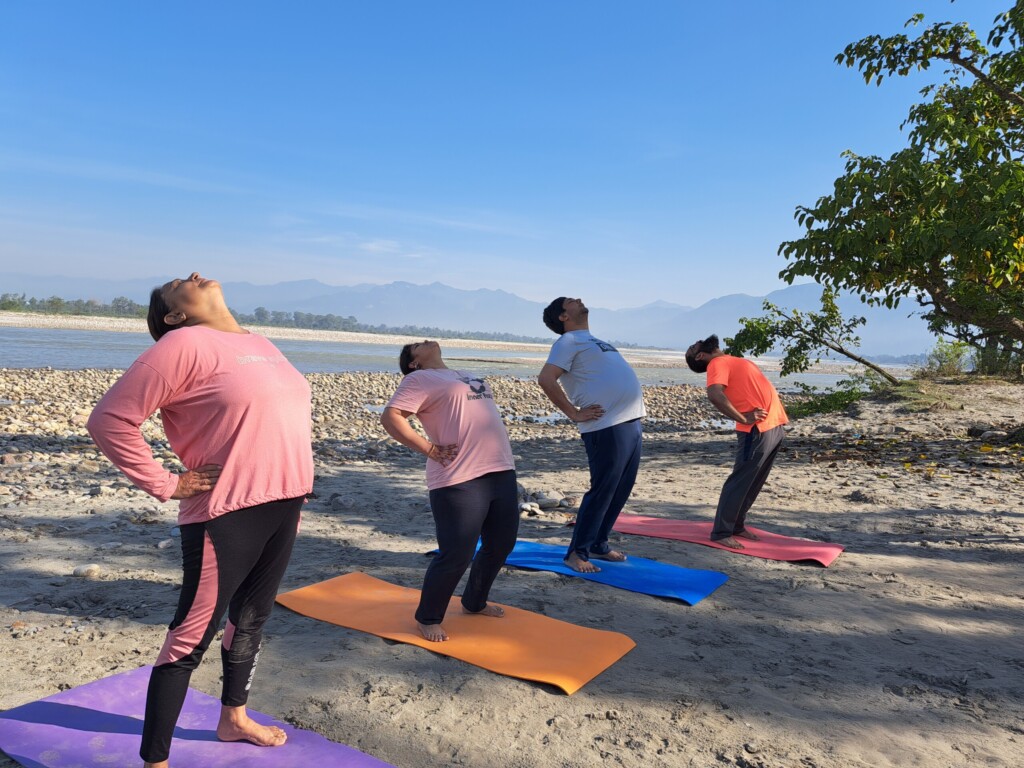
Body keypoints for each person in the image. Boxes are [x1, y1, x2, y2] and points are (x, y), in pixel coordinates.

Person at [87, 272, 314, 768]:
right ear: (175, 314)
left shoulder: (260, 342)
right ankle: (155, 761)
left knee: (251, 619)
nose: (191, 274)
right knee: (190, 637)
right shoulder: (181, 343)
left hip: (284, 501)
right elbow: (109, 420)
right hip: (226, 512)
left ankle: (233, 718)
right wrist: (167, 483)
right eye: (176, 284)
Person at [380, 340, 519, 643]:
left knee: (501, 544)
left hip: (500, 470)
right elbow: (391, 417)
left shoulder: (460, 373)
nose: (425, 340)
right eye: (416, 345)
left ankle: (474, 602)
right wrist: (429, 448)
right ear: (413, 362)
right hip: (459, 477)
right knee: (457, 553)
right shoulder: (417, 379)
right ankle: (427, 617)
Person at [538, 297, 645, 573]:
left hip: (630, 421)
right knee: (603, 490)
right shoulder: (567, 341)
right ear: (563, 317)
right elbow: (546, 379)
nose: (579, 300)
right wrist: (573, 413)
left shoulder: (591, 340)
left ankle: (598, 543)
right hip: (605, 425)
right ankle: (576, 552)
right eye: (571, 301)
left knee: (620, 489)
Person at [685, 334, 788, 548]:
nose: (695, 341)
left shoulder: (732, 360)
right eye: (693, 346)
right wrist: (743, 418)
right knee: (740, 480)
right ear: (701, 355)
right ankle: (722, 532)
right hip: (756, 429)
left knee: (754, 481)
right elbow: (714, 394)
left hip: (774, 425)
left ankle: (737, 525)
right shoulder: (717, 363)